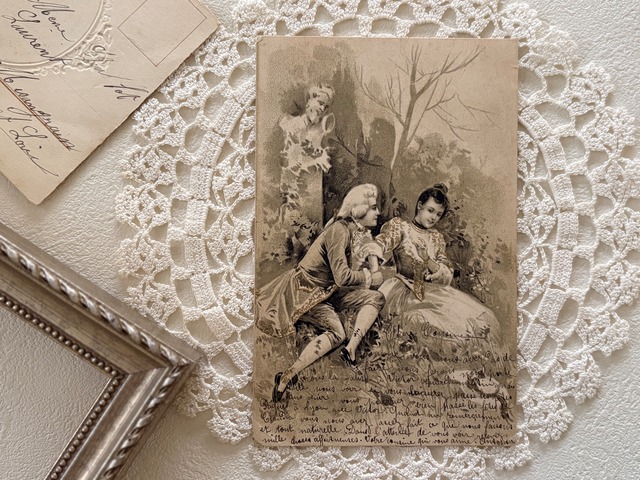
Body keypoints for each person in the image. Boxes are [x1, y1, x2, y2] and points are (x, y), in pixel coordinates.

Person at [256, 184, 385, 402]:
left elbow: (342, 276)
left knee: (377, 298)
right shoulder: (338, 231)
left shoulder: (353, 231)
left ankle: (350, 349)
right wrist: (369, 277)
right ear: (359, 209)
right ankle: (287, 376)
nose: (378, 212)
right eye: (373, 207)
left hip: (328, 291)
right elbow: (342, 277)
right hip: (307, 294)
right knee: (337, 333)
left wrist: (370, 273)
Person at [365, 184, 500, 354]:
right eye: (430, 210)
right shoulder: (401, 228)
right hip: (404, 290)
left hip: (432, 291)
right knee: (429, 323)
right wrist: (375, 271)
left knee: (479, 317)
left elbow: (446, 275)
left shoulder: (436, 238)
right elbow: (375, 246)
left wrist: (427, 259)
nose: (434, 217)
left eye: (438, 214)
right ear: (420, 205)